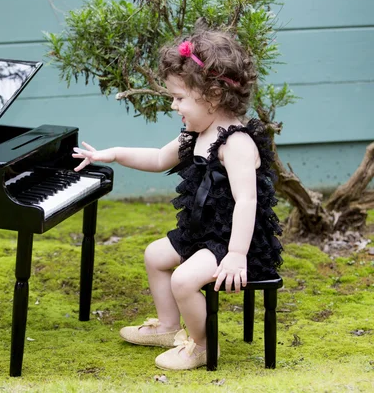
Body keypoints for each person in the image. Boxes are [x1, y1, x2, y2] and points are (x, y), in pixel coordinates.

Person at [72, 29, 283, 371]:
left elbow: (248, 201)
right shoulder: (197, 133)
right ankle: (169, 327)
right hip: (202, 233)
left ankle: (202, 344)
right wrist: (111, 154)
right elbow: (157, 159)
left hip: (233, 243)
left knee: (182, 280)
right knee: (155, 256)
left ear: (213, 96)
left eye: (179, 98)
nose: (173, 105)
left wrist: (236, 256)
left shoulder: (237, 143)